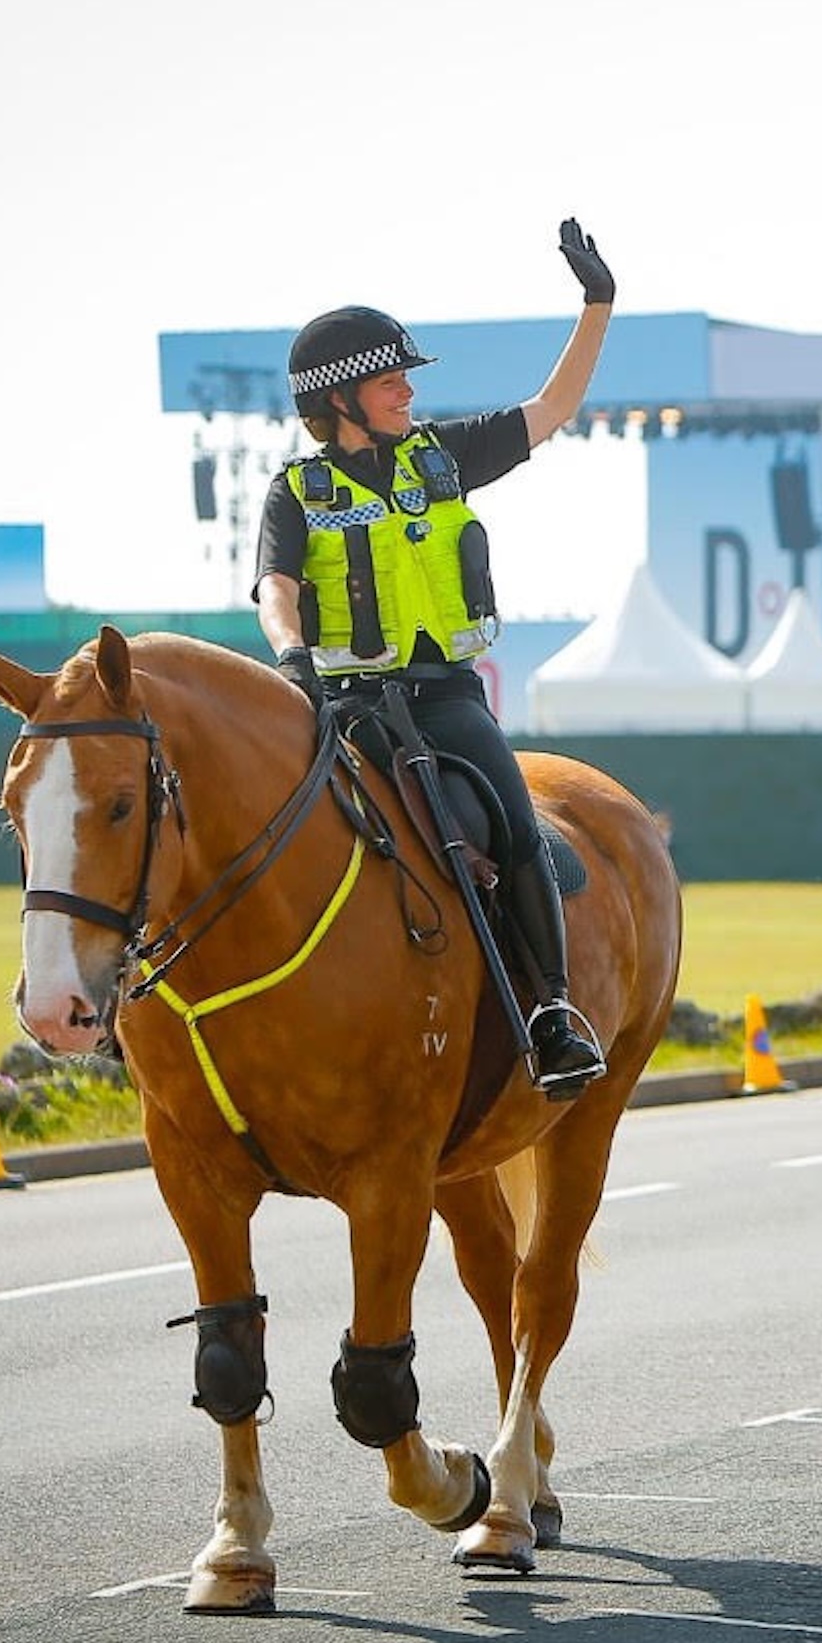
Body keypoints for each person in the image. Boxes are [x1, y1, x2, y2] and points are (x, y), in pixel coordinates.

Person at [255, 218, 617, 1100]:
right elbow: (277, 589)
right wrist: (292, 656)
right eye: (390, 379)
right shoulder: (294, 492)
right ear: (339, 400)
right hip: (343, 704)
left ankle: (553, 1013)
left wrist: (597, 304)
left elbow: (554, 410)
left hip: (448, 700)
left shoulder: (444, 456)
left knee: (515, 827)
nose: (407, 392)